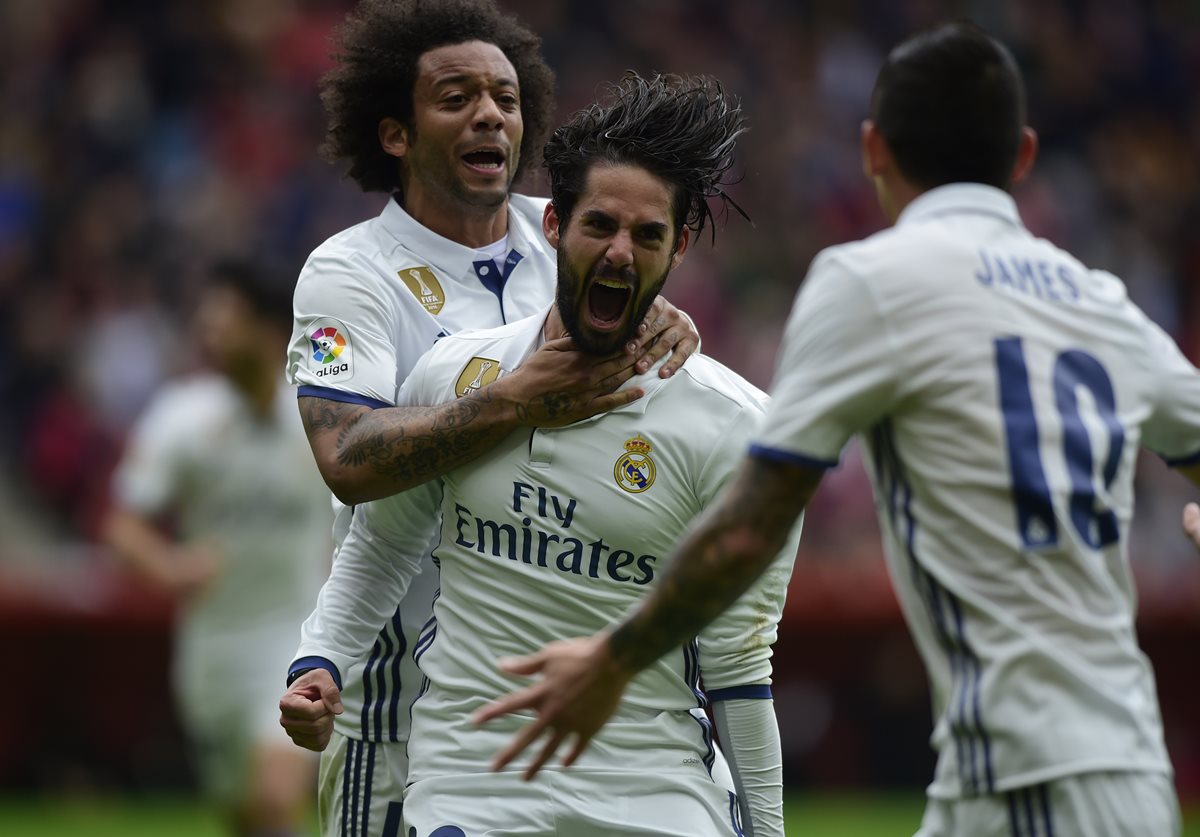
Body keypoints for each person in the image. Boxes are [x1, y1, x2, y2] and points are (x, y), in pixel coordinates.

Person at [475, 22, 1200, 837]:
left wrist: (614, 658)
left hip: (1031, 770)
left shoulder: (870, 282)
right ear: (1023, 156)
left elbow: (753, 523)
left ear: (873, 149)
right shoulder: (1101, 300)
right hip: (1126, 770)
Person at [282, 72, 800, 837]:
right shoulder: (450, 371)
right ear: (554, 225)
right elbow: (381, 541)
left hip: (653, 786)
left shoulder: (736, 429)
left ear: (680, 245)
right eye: (600, 227)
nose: (620, 252)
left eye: (648, 235)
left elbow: (738, 674)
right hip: (474, 782)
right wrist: (317, 659)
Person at [104, 261, 331, 837]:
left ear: (265, 329)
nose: (209, 333)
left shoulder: (315, 417)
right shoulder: (182, 418)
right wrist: (169, 566)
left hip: (294, 636)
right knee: (245, 816)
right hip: (211, 651)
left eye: (222, 320)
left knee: (278, 798)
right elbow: (122, 523)